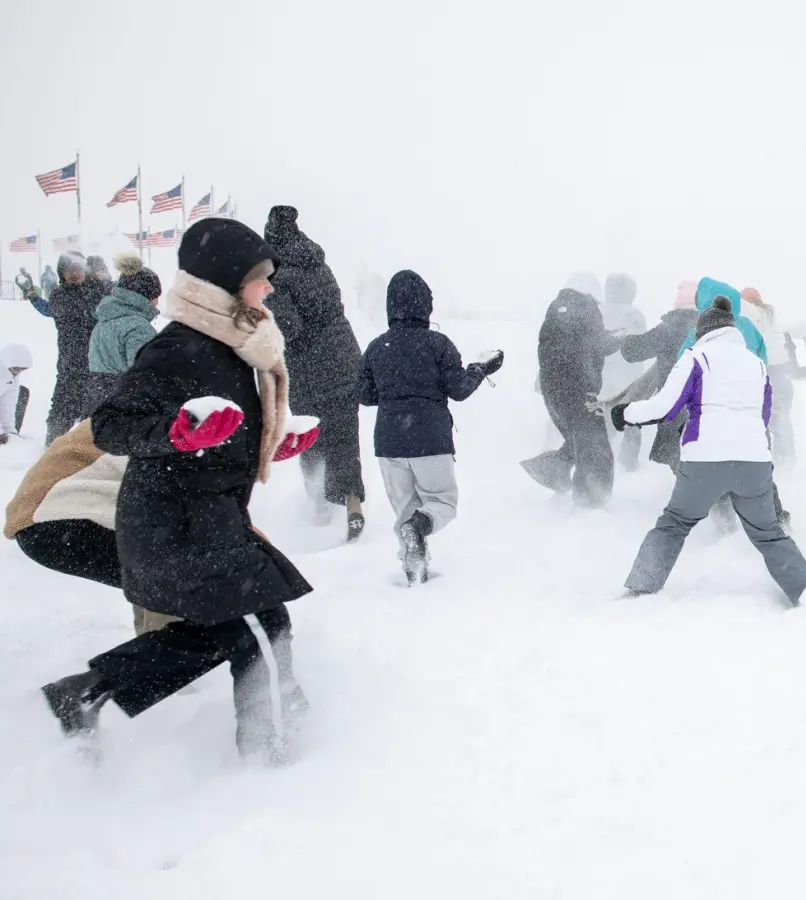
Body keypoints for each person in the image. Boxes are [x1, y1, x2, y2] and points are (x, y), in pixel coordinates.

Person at [39, 218, 323, 763]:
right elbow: (110, 425)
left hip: (205, 516)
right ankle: (279, 758)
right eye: (259, 278)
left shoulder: (233, 345)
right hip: (176, 520)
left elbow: (223, 427)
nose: (268, 289)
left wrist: (270, 444)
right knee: (261, 627)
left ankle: (85, 694)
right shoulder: (180, 347)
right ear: (226, 281)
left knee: (232, 629)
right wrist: (174, 434)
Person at [612, 298, 806, 605]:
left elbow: (665, 407)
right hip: (754, 463)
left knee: (674, 524)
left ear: (704, 330)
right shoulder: (756, 364)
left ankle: (642, 587)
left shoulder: (697, 357)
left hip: (704, 462)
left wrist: (625, 413)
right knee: (769, 533)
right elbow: (763, 415)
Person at [358, 270, 502, 585]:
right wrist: (479, 369)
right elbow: (459, 389)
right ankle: (420, 530)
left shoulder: (376, 347)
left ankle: (414, 568)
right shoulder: (438, 345)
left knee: (405, 509)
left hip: (389, 441)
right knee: (441, 503)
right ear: (426, 305)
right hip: (429, 439)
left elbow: (365, 396)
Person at [5, 420, 181, 634]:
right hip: (60, 513)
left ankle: (155, 648)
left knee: (158, 575)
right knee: (181, 570)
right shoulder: (190, 420)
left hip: (44, 517)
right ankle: (163, 652)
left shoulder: (154, 403)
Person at [264, 206, 368, 540]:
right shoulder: (317, 262)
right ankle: (353, 504)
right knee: (345, 435)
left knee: (310, 435)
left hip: (309, 367)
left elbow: (289, 328)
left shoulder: (276, 276)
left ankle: (320, 507)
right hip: (344, 358)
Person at [531, 285, 619, 507]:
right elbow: (598, 343)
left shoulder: (557, 310)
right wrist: (624, 340)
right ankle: (590, 502)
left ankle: (552, 471)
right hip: (578, 389)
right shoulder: (585, 308)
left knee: (579, 439)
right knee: (594, 445)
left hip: (554, 390)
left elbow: (568, 345)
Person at [613, 285, 700, 471]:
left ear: (678, 304)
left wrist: (626, 339)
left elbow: (633, 351)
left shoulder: (670, 328)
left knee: (675, 459)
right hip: (704, 406)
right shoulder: (708, 330)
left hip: (674, 405)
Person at [41, 252, 102, 444]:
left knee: (94, 417)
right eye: (70, 269)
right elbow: (77, 309)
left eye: (78, 268)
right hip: (70, 367)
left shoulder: (98, 290)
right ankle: (52, 451)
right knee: (61, 414)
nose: (75, 273)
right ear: (62, 273)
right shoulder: (59, 296)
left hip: (96, 366)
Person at [86, 253, 162, 404]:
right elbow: (143, 376)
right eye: (155, 296)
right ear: (144, 296)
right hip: (128, 406)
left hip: (99, 401)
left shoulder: (103, 322)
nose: (157, 302)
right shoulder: (139, 327)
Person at [600, 273, 650, 473]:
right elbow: (641, 347)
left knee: (603, 421)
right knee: (630, 421)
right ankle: (628, 465)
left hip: (601, 377)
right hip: (627, 378)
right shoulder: (633, 314)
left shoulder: (597, 311)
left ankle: (602, 461)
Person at [741, 286, 797, 464]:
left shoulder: (748, 314)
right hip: (780, 372)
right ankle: (786, 456)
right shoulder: (771, 316)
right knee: (781, 416)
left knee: (759, 418)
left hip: (763, 370)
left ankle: (762, 460)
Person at [1, 343, 32, 443]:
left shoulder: (12, 376)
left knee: (22, 392)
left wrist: (10, 431)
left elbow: (8, 405)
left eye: (21, 369)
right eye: (15, 368)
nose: (17, 372)